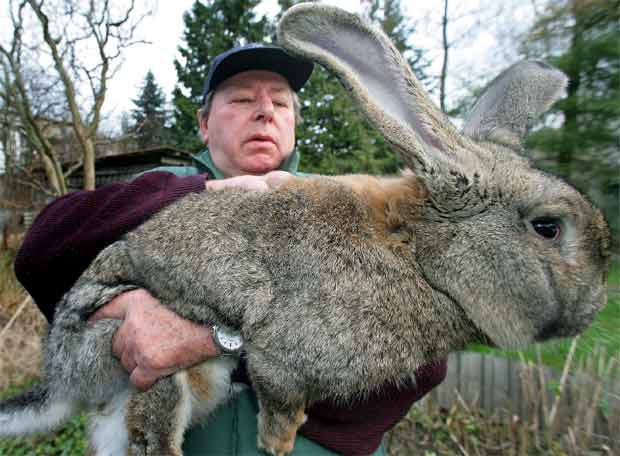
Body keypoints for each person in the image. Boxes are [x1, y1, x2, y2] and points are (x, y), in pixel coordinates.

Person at [15, 43, 448, 455]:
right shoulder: (154, 192)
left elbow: (421, 361)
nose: (264, 111)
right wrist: (208, 193)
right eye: (242, 100)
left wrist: (214, 342)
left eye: (281, 103)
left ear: (295, 124)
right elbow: (42, 250)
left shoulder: (350, 208)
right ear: (204, 124)